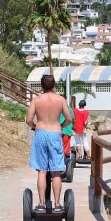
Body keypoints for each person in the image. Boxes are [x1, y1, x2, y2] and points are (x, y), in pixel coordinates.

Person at [26, 75, 72, 213]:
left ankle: (41, 204)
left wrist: (35, 125)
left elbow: (28, 120)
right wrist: (61, 126)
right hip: (55, 133)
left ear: (41, 86)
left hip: (40, 133)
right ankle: (57, 205)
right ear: (53, 86)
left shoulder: (36, 100)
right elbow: (69, 118)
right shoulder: (60, 99)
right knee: (56, 171)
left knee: (41, 170)